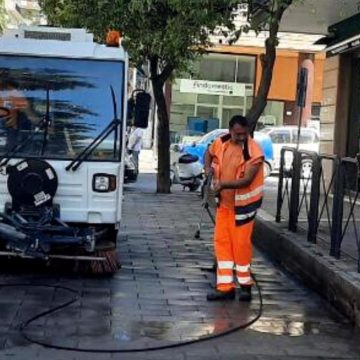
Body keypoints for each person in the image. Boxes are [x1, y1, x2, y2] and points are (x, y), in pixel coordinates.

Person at [204, 115, 264, 302]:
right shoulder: (221, 142)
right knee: (222, 245)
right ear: (230, 131)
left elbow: (246, 180)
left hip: (244, 208)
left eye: (244, 134)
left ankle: (245, 286)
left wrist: (222, 185)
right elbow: (208, 153)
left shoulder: (254, 151)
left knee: (241, 246)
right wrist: (208, 170)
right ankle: (225, 287)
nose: (241, 138)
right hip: (225, 206)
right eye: (237, 134)